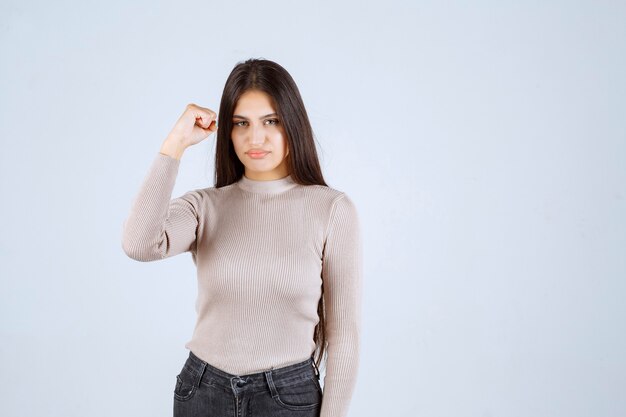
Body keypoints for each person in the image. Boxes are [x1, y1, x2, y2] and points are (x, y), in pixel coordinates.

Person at [121, 58, 363, 417]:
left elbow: (344, 337)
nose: (255, 138)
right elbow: (139, 244)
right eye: (241, 124)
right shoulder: (205, 206)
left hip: (288, 397)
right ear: (227, 132)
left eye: (271, 121)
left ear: (292, 124)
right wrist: (174, 144)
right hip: (203, 391)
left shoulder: (331, 209)